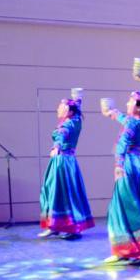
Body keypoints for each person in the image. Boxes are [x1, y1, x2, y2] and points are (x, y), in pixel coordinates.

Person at [100, 91, 140, 265]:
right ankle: (129, 249)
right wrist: (112, 112)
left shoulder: (132, 123)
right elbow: (125, 120)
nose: (127, 104)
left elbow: (122, 143)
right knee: (137, 204)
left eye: (130, 102)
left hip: (128, 165)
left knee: (123, 207)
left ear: (139, 107)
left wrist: (119, 165)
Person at [39, 92, 93, 239]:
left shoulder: (67, 124)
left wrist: (56, 147)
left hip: (61, 161)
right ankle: (55, 225)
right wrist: (78, 98)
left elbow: (61, 136)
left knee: (57, 192)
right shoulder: (76, 120)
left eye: (61, 107)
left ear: (69, 111)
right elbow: (77, 110)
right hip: (69, 162)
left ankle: (71, 228)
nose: (58, 109)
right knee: (60, 192)